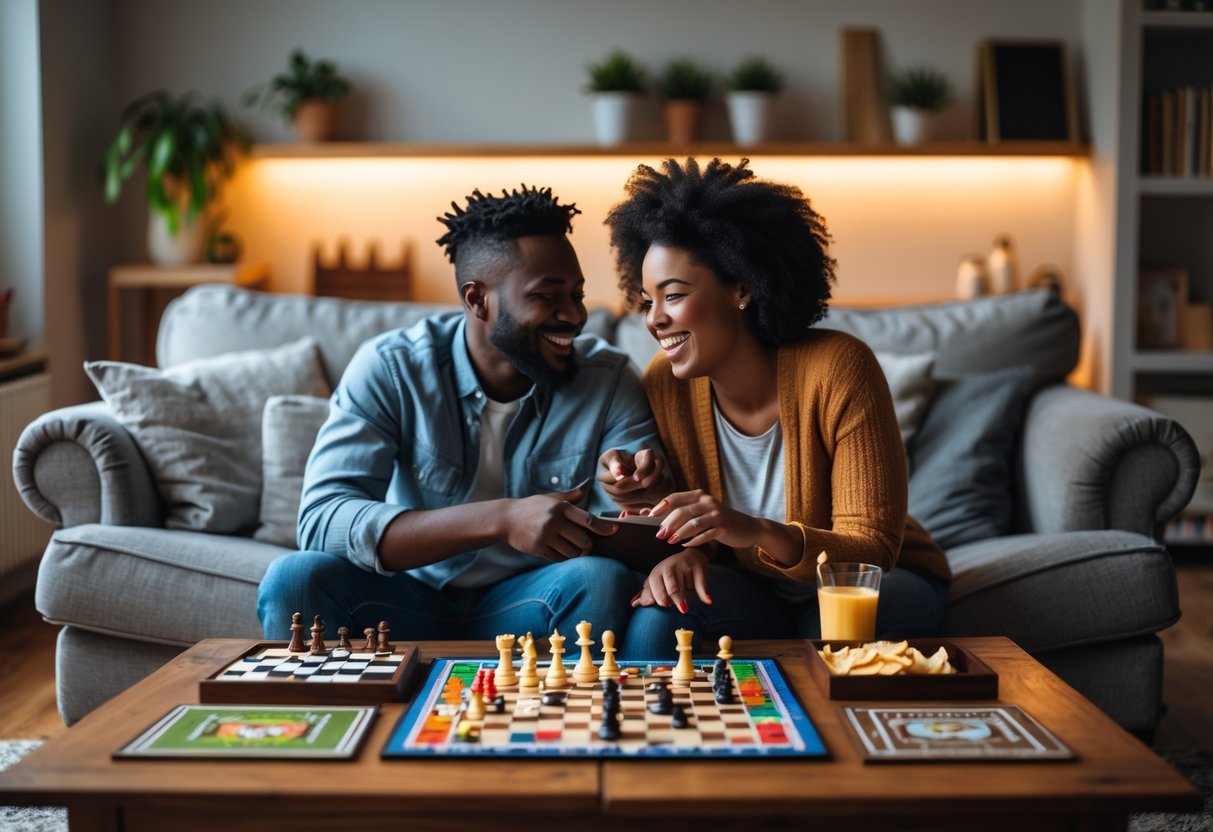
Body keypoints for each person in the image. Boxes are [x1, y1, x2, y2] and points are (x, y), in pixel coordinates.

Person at [257, 185, 670, 644]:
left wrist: (636, 498)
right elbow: (322, 519)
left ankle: (559, 716)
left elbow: (650, 536)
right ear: (477, 300)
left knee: (599, 579)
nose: (573, 315)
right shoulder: (393, 368)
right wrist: (501, 519)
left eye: (576, 294)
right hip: (404, 597)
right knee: (294, 580)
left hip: (532, 600)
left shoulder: (607, 378)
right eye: (547, 296)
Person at [599, 158, 952, 657]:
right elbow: (701, 529)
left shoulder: (839, 368)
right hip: (757, 588)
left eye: (673, 296)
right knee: (661, 619)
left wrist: (750, 528)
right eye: (647, 300)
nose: (654, 320)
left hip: (880, 580)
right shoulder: (667, 383)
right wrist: (660, 517)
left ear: (742, 288)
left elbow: (872, 549)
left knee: (830, 644)